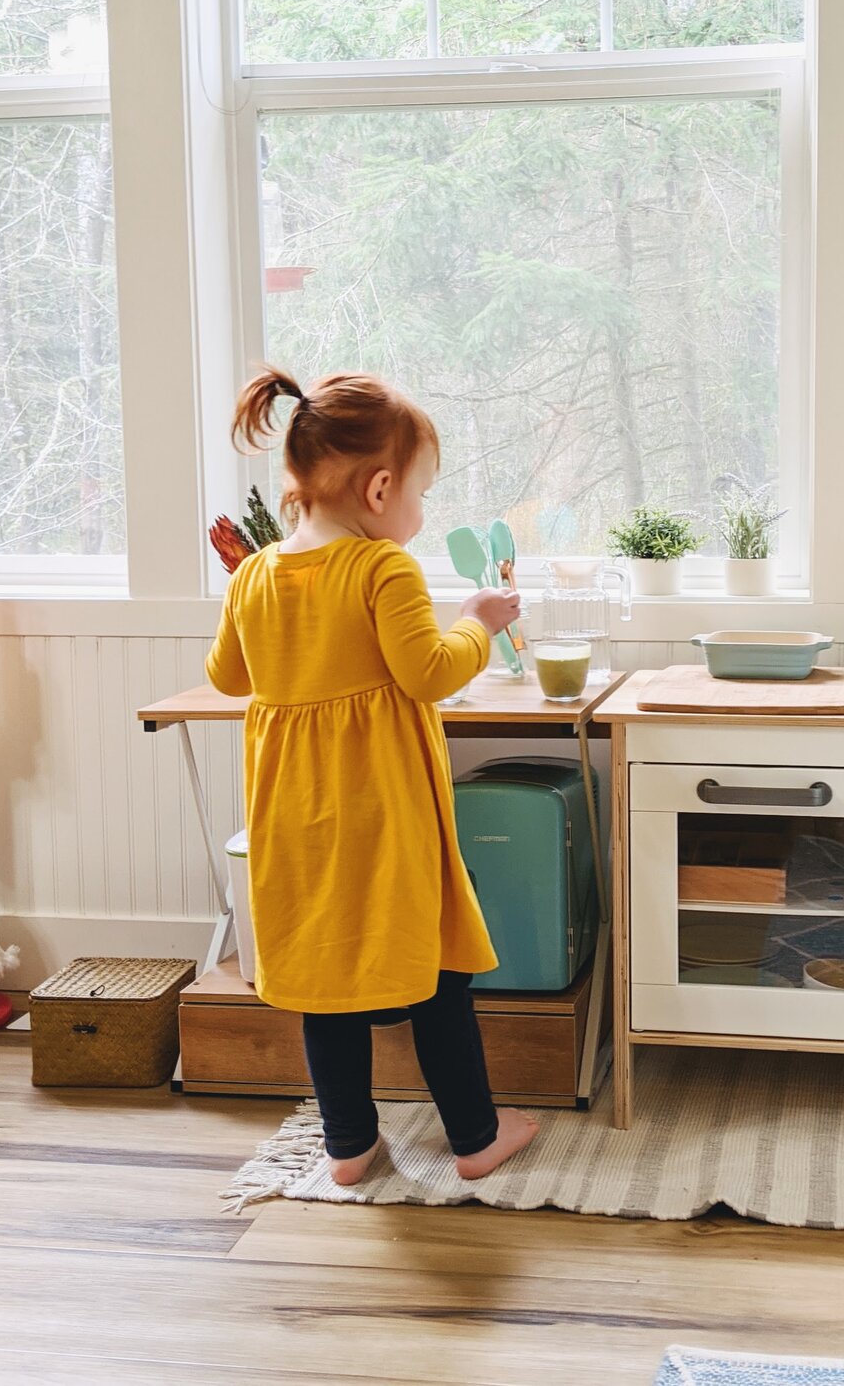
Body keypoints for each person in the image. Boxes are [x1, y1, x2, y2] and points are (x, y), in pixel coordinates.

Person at [207, 368, 538, 1185]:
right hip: (382, 813)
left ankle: (349, 1147)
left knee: (326, 981)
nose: (420, 514)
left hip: (294, 816)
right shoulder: (381, 570)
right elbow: (426, 673)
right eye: (422, 495)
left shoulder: (253, 576)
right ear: (381, 488)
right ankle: (475, 1139)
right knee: (434, 975)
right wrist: (475, 622)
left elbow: (225, 677)